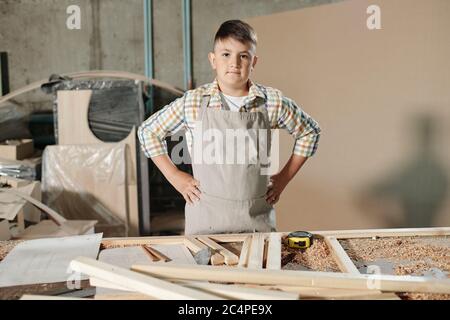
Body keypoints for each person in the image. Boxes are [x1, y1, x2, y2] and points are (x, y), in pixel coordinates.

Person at [138, 20, 321, 235]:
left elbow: (310, 132)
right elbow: (147, 131)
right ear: (213, 60)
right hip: (205, 223)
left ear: (254, 62)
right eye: (226, 54)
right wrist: (174, 176)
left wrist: (283, 179)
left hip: (256, 223)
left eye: (243, 56)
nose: (234, 63)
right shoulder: (193, 102)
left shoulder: (272, 102)